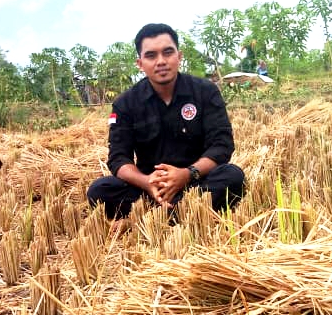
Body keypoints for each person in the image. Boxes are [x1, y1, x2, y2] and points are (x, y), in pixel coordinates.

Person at [87, 23, 245, 220]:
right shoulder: (125, 104)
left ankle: (147, 220)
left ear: (179, 56)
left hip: (196, 182)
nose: (161, 61)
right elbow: (119, 159)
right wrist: (147, 182)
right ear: (140, 63)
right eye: (151, 55)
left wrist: (186, 174)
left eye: (168, 52)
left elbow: (222, 146)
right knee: (99, 191)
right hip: (150, 190)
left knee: (232, 177)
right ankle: (180, 214)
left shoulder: (205, 91)